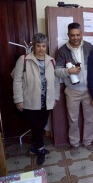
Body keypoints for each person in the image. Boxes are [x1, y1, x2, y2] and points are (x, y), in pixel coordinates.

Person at [13, 33, 60, 165]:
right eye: (38, 45)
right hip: (30, 101)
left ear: (47, 46)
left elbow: (55, 80)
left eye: (43, 46)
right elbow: (17, 81)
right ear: (33, 46)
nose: (41, 48)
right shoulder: (24, 60)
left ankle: (35, 147)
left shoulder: (51, 60)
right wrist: (18, 100)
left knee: (40, 125)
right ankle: (40, 150)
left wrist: (55, 97)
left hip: (46, 101)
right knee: (36, 126)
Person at [55, 22, 93, 157]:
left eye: (78, 35)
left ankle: (88, 142)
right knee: (73, 119)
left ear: (81, 34)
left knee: (89, 118)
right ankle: (74, 144)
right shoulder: (62, 50)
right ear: (68, 35)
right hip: (72, 90)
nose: (76, 38)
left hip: (88, 90)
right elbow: (57, 71)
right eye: (72, 35)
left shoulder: (89, 47)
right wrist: (69, 71)